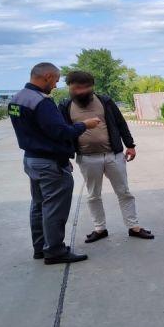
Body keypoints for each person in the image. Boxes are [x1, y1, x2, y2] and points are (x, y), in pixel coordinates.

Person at [8, 62, 101, 264]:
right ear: (48, 76)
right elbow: (60, 132)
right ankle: (55, 251)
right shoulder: (41, 102)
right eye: (56, 80)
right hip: (49, 163)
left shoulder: (17, 99)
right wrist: (84, 125)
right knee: (54, 208)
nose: (56, 85)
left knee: (39, 205)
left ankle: (40, 247)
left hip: (31, 160)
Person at [59, 70, 154, 242]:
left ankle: (134, 227)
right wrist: (65, 157)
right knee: (93, 195)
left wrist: (130, 145)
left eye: (84, 88)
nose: (80, 91)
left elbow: (121, 123)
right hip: (87, 158)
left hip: (113, 155)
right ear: (70, 88)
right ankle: (100, 229)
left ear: (92, 87)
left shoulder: (105, 101)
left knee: (124, 192)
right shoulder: (65, 106)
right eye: (76, 88)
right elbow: (63, 133)